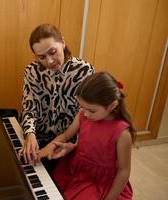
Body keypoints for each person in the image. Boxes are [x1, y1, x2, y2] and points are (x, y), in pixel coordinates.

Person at [38, 71, 136, 200]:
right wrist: (45, 149)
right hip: (77, 168)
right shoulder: (83, 114)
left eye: (92, 110)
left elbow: (124, 171)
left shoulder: (122, 133)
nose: (86, 113)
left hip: (99, 181)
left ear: (112, 105)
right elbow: (66, 135)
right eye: (83, 107)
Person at [19, 23, 94, 171]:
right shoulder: (32, 71)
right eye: (41, 57)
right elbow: (29, 106)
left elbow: (86, 115)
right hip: (39, 137)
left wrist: (73, 143)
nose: (49, 61)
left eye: (53, 52)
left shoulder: (84, 70)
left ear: (63, 43)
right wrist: (30, 133)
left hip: (68, 143)